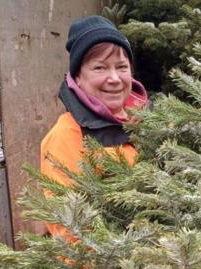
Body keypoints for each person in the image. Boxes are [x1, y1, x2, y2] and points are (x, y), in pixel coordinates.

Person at [40, 15, 147, 240]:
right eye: (100, 68)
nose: (115, 78)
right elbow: (71, 233)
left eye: (122, 67)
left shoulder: (151, 121)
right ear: (77, 77)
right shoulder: (66, 137)